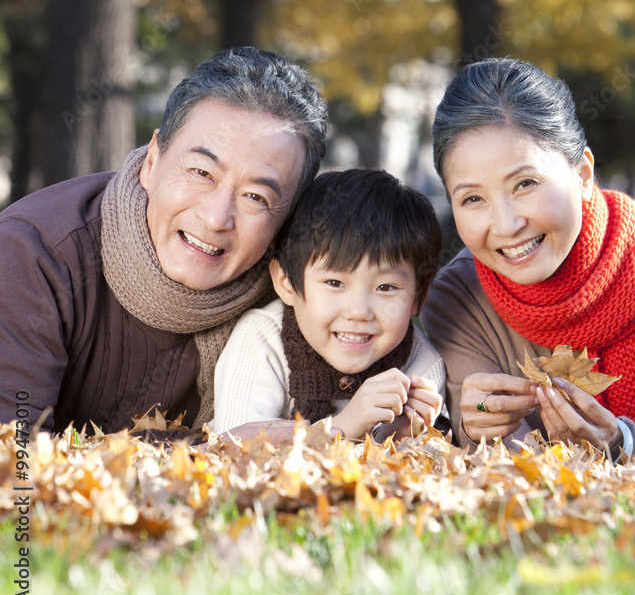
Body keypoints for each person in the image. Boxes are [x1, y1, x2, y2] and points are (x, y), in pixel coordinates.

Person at [0, 47, 327, 435]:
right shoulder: (33, 252)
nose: (215, 217)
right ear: (152, 161)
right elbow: (14, 461)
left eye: (257, 197)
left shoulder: (299, 293)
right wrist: (222, 449)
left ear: (288, 218)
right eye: (201, 171)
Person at [421, 57, 635, 458]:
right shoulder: (458, 299)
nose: (505, 224)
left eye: (525, 184)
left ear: (583, 175)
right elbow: (503, 478)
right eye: (472, 198)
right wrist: (476, 427)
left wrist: (622, 444)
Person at [212, 168, 448, 441]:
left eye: (386, 287)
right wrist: (343, 427)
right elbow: (233, 446)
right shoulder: (263, 338)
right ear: (286, 282)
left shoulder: (421, 363)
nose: (358, 311)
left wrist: (397, 436)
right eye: (335, 283)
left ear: (418, 296)